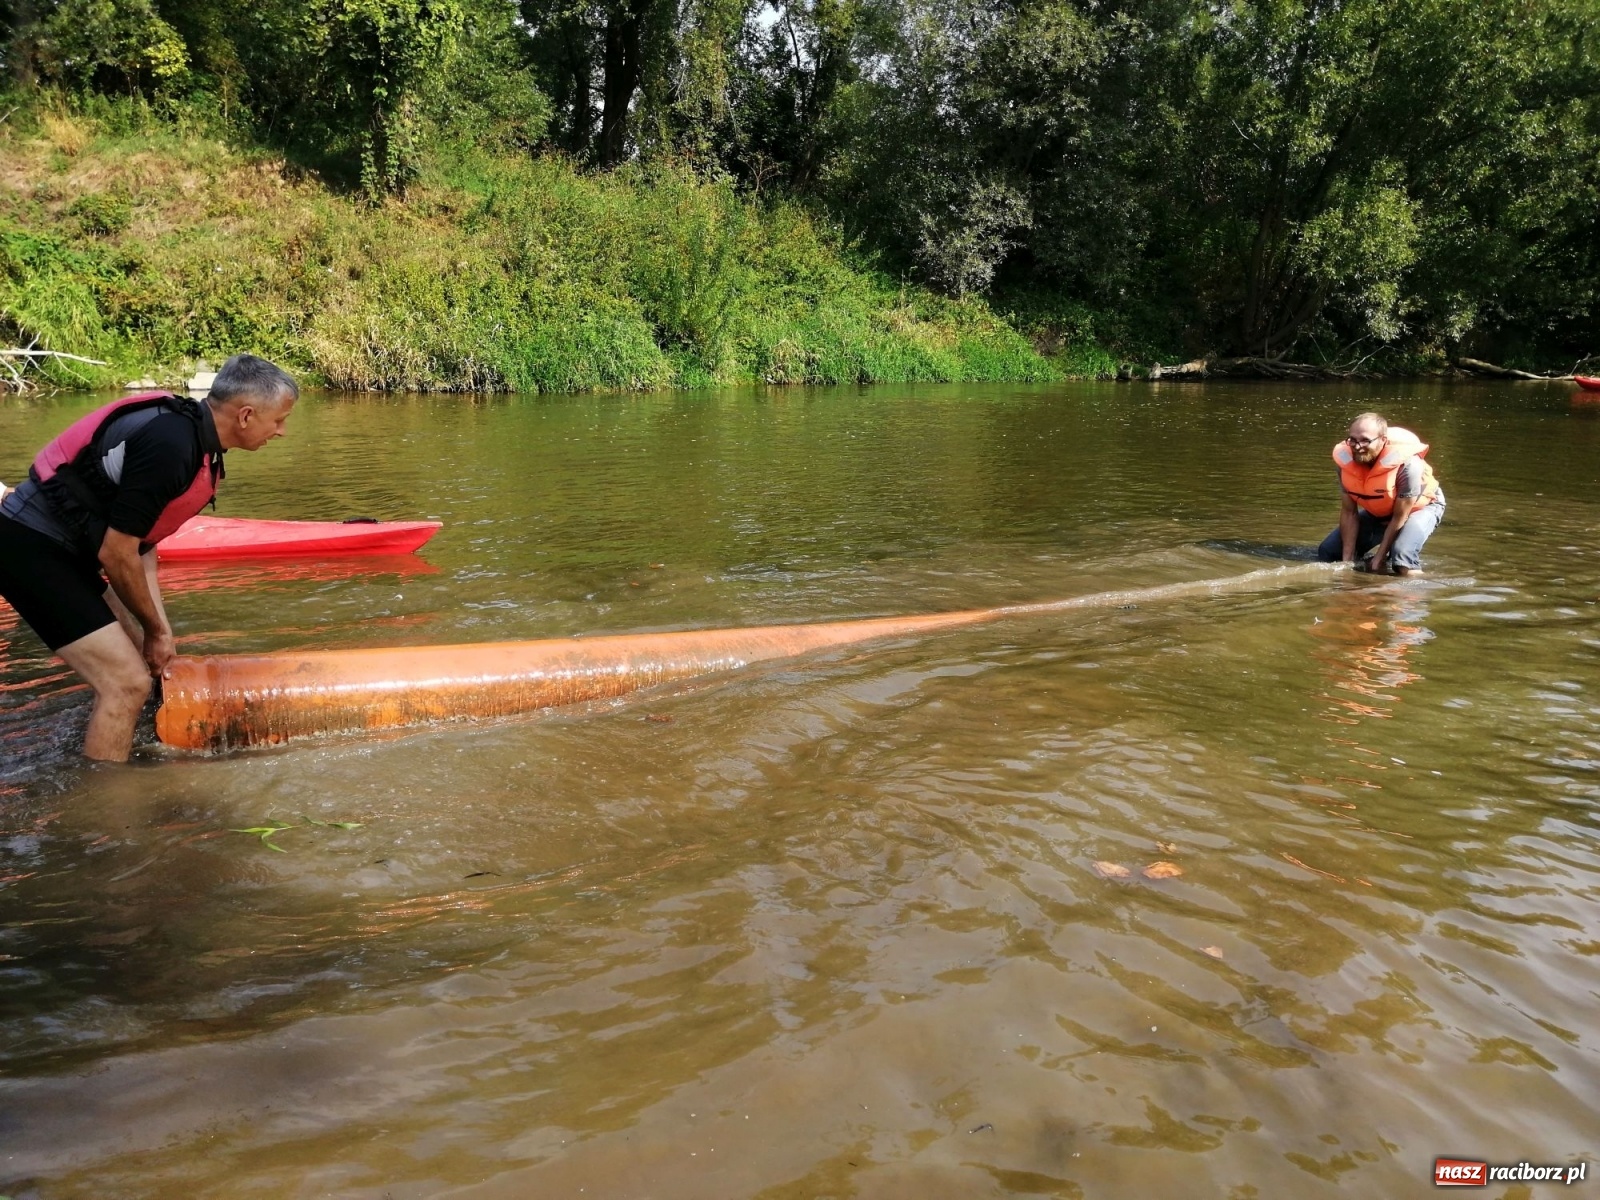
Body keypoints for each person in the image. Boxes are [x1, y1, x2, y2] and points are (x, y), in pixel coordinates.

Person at [0, 355, 296, 761]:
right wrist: (155, 631)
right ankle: (111, 808)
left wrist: (160, 634)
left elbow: (142, 546)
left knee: (144, 664)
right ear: (246, 415)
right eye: (278, 420)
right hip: (29, 545)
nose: (281, 431)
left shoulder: (197, 441)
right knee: (126, 683)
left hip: (67, 553)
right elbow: (116, 552)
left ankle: (117, 745)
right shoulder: (171, 444)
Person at [1316, 411, 1444, 576]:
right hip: (1380, 511)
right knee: (1329, 552)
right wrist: (1347, 562)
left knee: (1402, 560)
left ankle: (1419, 594)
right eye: (1353, 440)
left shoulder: (1408, 466)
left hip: (1421, 508)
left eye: (1365, 441)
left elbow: (1400, 516)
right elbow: (1349, 512)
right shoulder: (1344, 462)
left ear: (1383, 440)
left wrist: (1379, 558)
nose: (1357, 446)